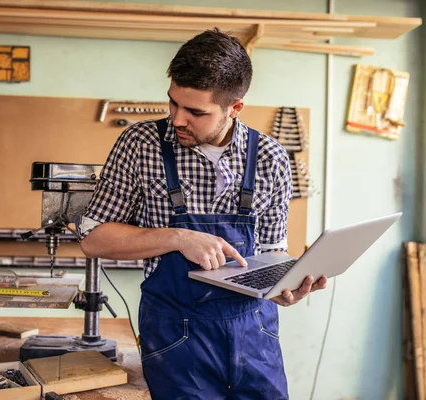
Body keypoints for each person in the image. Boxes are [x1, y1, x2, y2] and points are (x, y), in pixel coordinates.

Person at [77, 28, 327, 400]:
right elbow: (93, 238)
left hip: (254, 336)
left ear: (234, 107)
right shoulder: (140, 144)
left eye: (195, 111)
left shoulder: (271, 158)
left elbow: (273, 250)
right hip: (176, 341)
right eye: (173, 103)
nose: (177, 119)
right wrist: (177, 237)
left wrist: (284, 285)